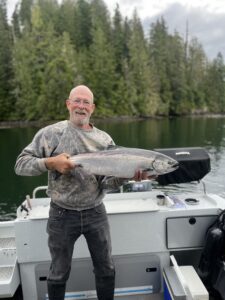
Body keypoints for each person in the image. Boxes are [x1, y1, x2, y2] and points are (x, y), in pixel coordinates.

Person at [14, 85, 149, 300]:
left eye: (86, 102)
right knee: (58, 273)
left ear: (92, 108)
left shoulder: (105, 141)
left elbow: (107, 184)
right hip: (61, 214)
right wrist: (50, 162)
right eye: (77, 101)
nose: (81, 106)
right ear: (68, 104)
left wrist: (129, 175)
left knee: (106, 269)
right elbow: (20, 165)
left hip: (96, 212)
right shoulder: (51, 134)